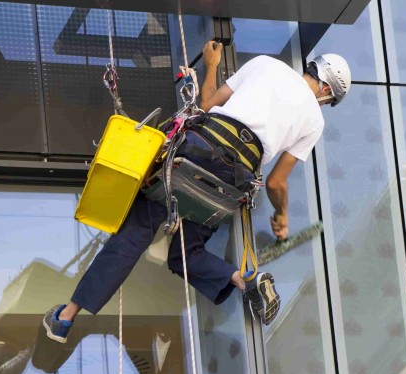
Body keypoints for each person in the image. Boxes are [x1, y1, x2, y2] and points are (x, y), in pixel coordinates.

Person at [42, 41, 351, 343]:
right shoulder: (315, 121)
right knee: (186, 255)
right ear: (327, 90)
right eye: (328, 100)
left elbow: (206, 106)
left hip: (195, 156)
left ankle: (67, 316)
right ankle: (245, 282)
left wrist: (212, 66)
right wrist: (281, 217)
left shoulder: (265, 64)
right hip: (229, 184)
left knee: (134, 233)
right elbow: (276, 183)